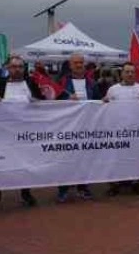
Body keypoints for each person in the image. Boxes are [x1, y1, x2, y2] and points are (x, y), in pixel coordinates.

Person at [0, 56, 44, 209]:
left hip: (25, 132)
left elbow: (42, 102)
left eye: (20, 66)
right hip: (4, 132)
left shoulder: (31, 83)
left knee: (25, 162)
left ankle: (25, 192)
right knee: (0, 163)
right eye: (14, 66)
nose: (17, 69)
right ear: (8, 68)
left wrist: (37, 101)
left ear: (24, 68)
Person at [55, 53, 102, 202]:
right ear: (70, 65)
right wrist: (67, 98)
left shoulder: (92, 83)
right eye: (75, 63)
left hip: (86, 126)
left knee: (84, 158)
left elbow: (98, 102)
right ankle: (63, 189)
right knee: (65, 158)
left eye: (81, 63)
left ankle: (83, 187)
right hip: (67, 127)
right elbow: (52, 99)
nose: (79, 65)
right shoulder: (61, 81)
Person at [103, 62, 139, 196]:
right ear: (122, 73)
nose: (130, 74)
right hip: (118, 130)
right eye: (127, 72)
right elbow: (106, 108)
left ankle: (136, 183)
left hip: (136, 131)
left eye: (132, 72)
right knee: (116, 158)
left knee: (135, 157)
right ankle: (115, 184)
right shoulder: (113, 89)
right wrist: (104, 102)